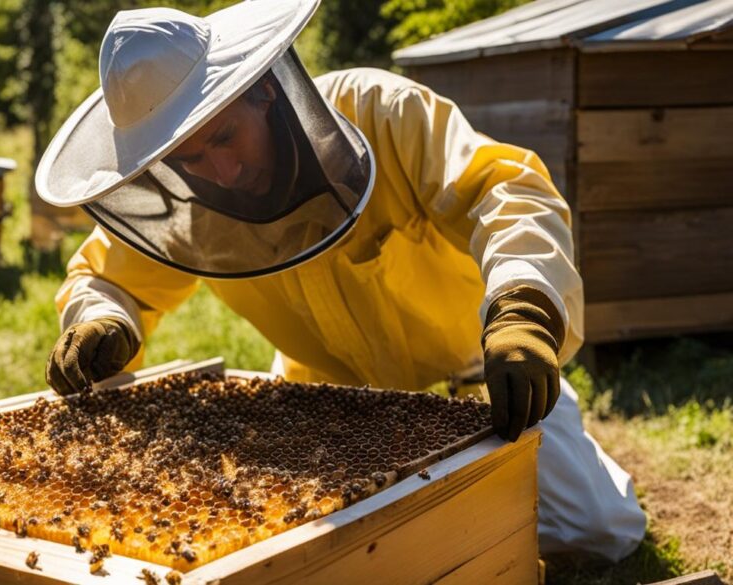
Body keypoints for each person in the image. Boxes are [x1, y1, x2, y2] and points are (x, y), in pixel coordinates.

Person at [35, 0, 646, 562]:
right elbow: (108, 278)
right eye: (189, 158)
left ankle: (578, 459)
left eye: (224, 137)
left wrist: (523, 309)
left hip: (479, 384)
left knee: (596, 530)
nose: (220, 170)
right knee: (284, 542)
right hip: (317, 405)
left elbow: (505, 192)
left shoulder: (381, 113)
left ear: (264, 91)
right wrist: (99, 320)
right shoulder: (190, 205)